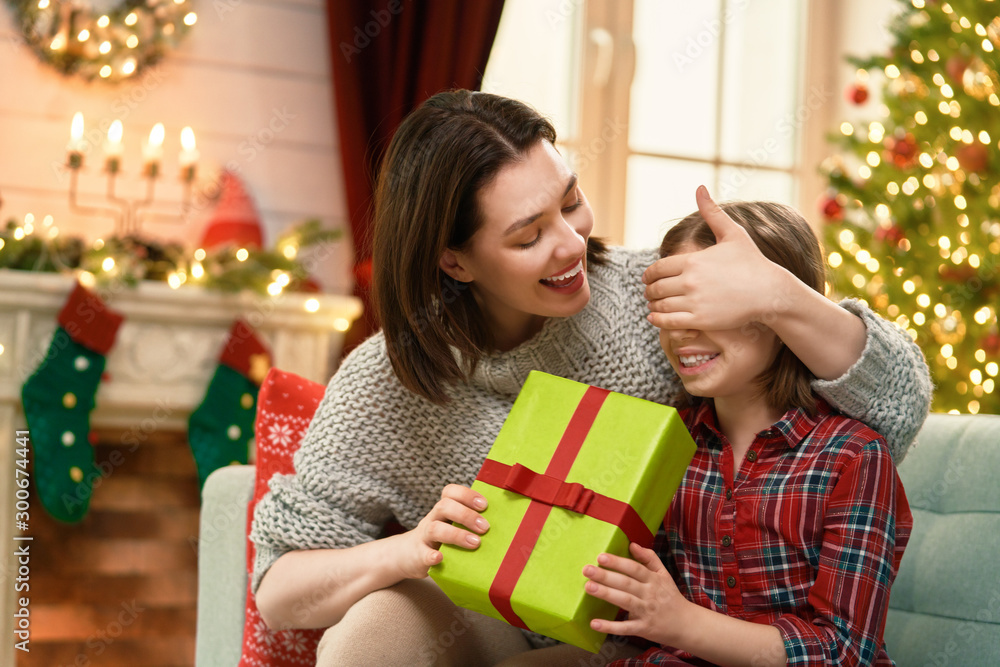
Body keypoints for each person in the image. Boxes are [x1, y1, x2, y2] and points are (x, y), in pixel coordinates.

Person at [250, 90, 930, 666]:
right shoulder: (387, 381)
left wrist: (781, 297)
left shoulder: (654, 296)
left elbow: (896, 405)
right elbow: (278, 584)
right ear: (453, 261)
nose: (572, 242)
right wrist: (406, 550)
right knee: (371, 633)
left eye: (570, 201)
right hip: (492, 620)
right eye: (528, 235)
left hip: (644, 632)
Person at [583, 201, 912, 667]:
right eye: (669, 309)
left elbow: (843, 653)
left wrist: (682, 623)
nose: (681, 332)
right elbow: (628, 606)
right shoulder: (666, 443)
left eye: (707, 306)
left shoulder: (853, 456)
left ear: (776, 313)